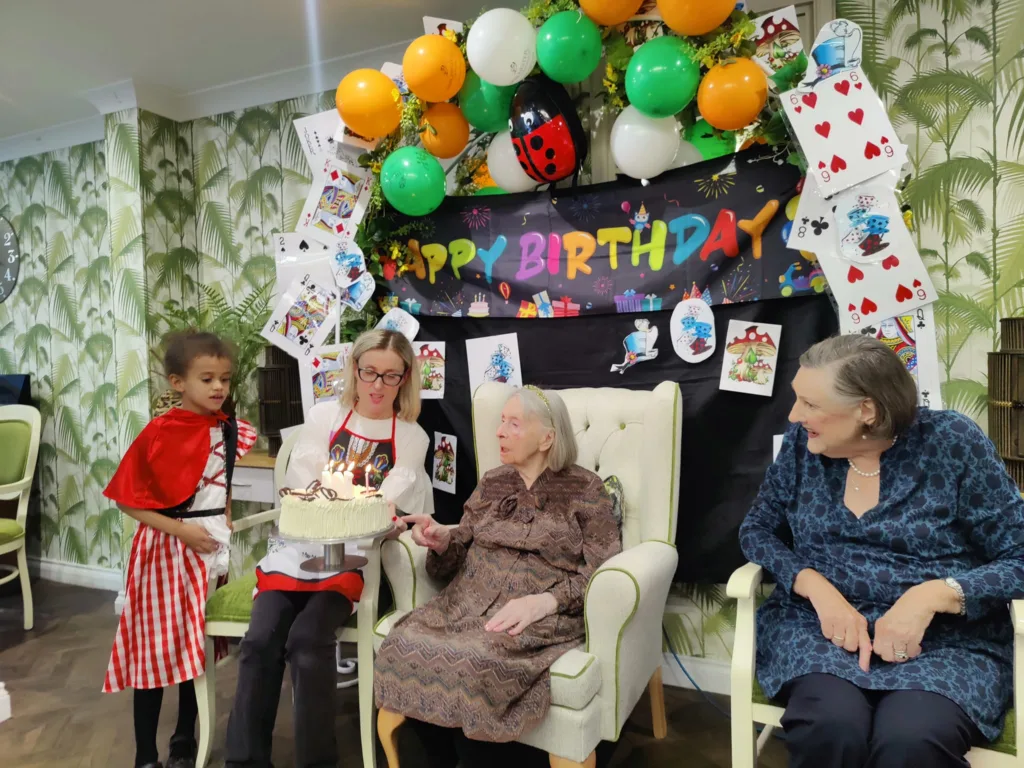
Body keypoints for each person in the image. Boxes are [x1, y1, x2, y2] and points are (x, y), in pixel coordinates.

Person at [740, 334, 1024, 768]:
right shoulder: (803, 447)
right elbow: (757, 530)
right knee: (830, 727)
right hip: (822, 632)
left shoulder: (953, 443)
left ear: (867, 411)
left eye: (811, 404)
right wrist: (813, 585)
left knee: (911, 741)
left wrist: (933, 595)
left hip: (944, 643)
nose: (795, 416)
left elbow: (1019, 554)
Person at [374, 385, 622, 768]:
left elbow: (603, 570)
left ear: (547, 438)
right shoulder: (493, 482)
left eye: (513, 424)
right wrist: (442, 540)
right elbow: (460, 547)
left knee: (480, 657)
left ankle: (480, 756)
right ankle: (441, 755)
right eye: (501, 422)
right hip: (466, 601)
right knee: (404, 639)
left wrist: (544, 602)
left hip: (535, 611)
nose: (500, 432)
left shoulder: (585, 489)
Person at [225, 328, 433, 768]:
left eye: (391, 376)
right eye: (370, 372)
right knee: (261, 638)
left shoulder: (411, 436)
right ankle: (243, 761)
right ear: (353, 370)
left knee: (306, 641)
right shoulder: (323, 417)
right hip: (296, 551)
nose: (378, 386)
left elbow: (391, 503)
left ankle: (316, 762)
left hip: (353, 560)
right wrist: (341, 498)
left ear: (406, 379)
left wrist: (364, 509)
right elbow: (303, 479)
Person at [103, 331, 257, 768]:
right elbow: (127, 500)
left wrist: (222, 518)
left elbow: (221, 483)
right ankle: (144, 754)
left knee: (195, 649)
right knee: (153, 651)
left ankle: (185, 738)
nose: (218, 388)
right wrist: (182, 531)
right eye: (207, 378)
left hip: (207, 552)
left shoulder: (228, 429)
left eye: (225, 379)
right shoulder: (159, 433)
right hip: (165, 552)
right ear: (177, 382)